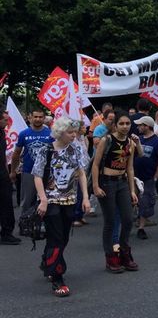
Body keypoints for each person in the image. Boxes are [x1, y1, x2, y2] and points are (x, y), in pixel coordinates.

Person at [32, 117, 91, 296]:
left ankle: (46, 260)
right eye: (70, 132)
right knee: (57, 239)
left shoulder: (76, 149)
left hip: (70, 200)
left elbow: (81, 173)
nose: (74, 135)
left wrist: (86, 198)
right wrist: (43, 199)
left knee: (63, 238)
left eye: (75, 132)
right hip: (51, 201)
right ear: (59, 132)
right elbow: (37, 175)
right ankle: (57, 277)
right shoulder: (46, 150)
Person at [92, 112, 139, 273]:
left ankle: (124, 252)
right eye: (122, 124)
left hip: (122, 183)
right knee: (110, 221)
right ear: (115, 125)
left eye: (127, 123)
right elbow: (96, 165)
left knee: (128, 219)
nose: (125, 126)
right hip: (107, 183)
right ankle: (111, 256)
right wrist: (96, 187)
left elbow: (130, 167)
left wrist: (132, 190)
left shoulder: (130, 143)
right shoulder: (107, 140)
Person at [11, 108, 53, 218]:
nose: (38, 119)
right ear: (30, 118)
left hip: (46, 172)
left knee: (46, 199)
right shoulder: (24, 134)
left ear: (44, 118)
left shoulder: (51, 134)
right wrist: (13, 171)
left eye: (40, 117)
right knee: (27, 200)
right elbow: (16, 153)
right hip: (28, 171)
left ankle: (43, 223)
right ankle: (24, 223)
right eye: (35, 117)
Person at [133, 116, 158, 240]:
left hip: (148, 176)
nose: (138, 127)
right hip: (135, 176)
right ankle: (133, 220)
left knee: (145, 201)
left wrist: (156, 177)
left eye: (140, 125)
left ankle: (141, 227)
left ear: (147, 126)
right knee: (132, 200)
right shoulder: (139, 139)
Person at [0, 109, 20, 245]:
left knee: (6, 204)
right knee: (5, 203)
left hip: (2, 173)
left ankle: (7, 232)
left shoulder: (1, 132)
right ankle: (6, 233)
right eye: (5, 120)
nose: (8, 123)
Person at [73, 121, 91, 227]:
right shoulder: (74, 140)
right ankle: (75, 216)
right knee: (78, 194)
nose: (86, 128)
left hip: (85, 168)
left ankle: (80, 214)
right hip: (77, 170)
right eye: (83, 127)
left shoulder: (83, 138)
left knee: (83, 192)